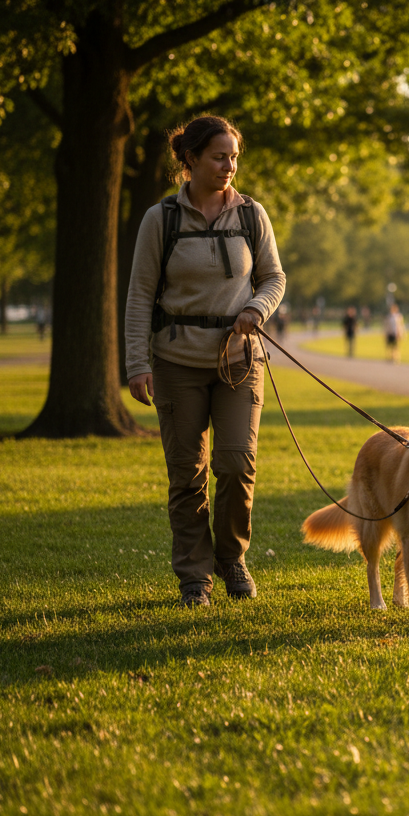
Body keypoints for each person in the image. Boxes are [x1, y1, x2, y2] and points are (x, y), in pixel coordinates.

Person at [124, 115, 286, 607]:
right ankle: (195, 576)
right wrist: (137, 363)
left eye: (234, 157)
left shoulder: (251, 214)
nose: (229, 166)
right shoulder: (162, 218)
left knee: (237, 464)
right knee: (187, 475)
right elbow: (139, 295)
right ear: (190, 160)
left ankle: (231, 558)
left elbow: (274, 278)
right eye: (219, 157)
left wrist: (256, 308)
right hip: (175, 362)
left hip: (239, 361)